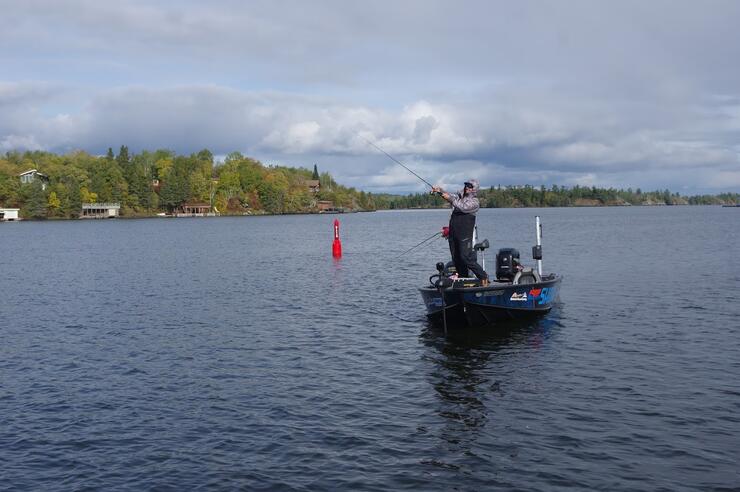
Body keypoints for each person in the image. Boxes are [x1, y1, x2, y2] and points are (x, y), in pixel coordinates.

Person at [432, 179, 489, 286]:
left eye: (470, 186)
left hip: (464, 234)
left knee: (465, 257)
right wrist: (440, 191)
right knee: (456, 257)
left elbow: (462, 207)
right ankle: (464, 279)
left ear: (474, 189)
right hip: (454, 233)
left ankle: (483, 276)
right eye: (466, 185)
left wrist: (449, 199)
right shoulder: (460, 197)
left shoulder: (474, 202)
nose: (467, 187)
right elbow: (452, 197)